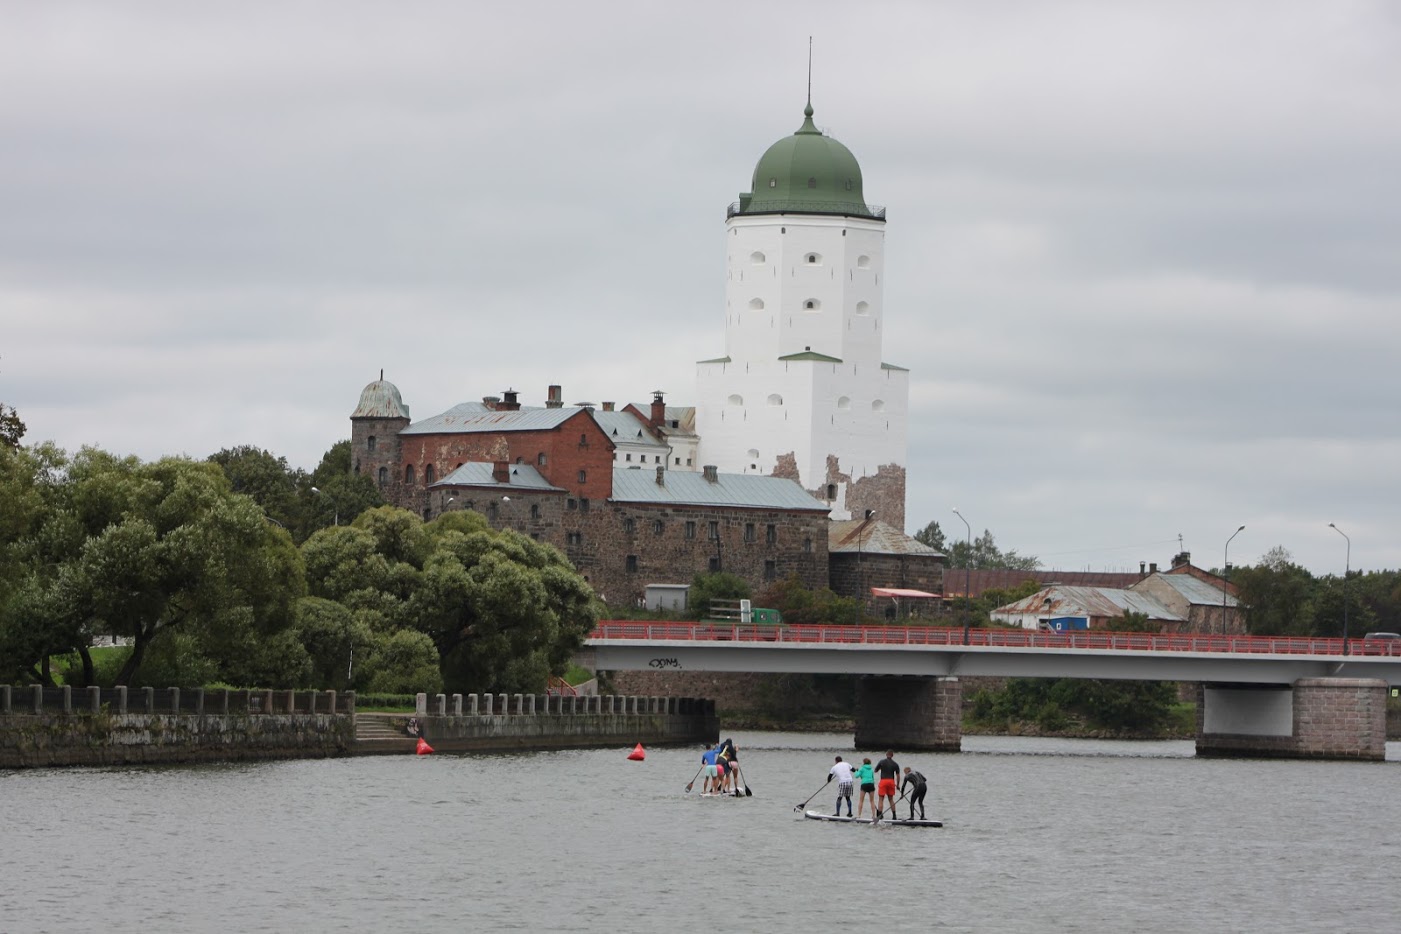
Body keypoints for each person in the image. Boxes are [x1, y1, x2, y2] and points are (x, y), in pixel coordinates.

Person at [873, 750, 900, 820]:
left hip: (883, 781)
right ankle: (894, 816)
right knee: (891, 799)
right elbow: (898, 775)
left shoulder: (882, 762)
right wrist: (898, 785)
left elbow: (875, 770)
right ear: (892, 755)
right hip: (891, 781)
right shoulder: (895, 764)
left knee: (881, 799)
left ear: (886, 754)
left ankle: (880, 815)